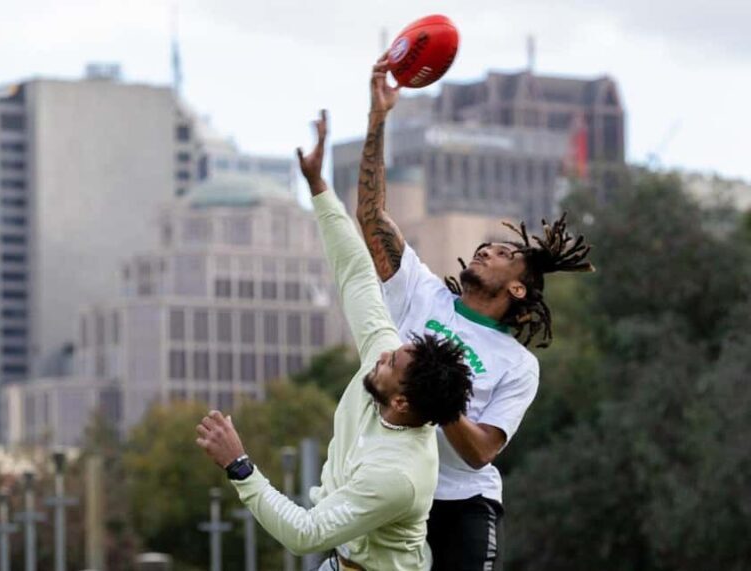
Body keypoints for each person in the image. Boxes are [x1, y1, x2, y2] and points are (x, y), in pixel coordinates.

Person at [196, 110, 474, 571]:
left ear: (402, 402)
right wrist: (319, 188)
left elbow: (304, 535)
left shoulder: (398, 475)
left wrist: (239, 465)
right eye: (393, 352)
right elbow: (357, 276)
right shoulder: (385, 367)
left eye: (390, 365)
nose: (382, 356)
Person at [357, 54, 596, 571]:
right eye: (489, 245)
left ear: (516, 289)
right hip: (393, 481)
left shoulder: (517, 365)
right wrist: (378, 121)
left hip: (463, 503)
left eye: (505, 254)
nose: (488, 249)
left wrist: (440, 399)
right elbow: (372, 217)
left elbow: (481, 451)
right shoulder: (419, 292)